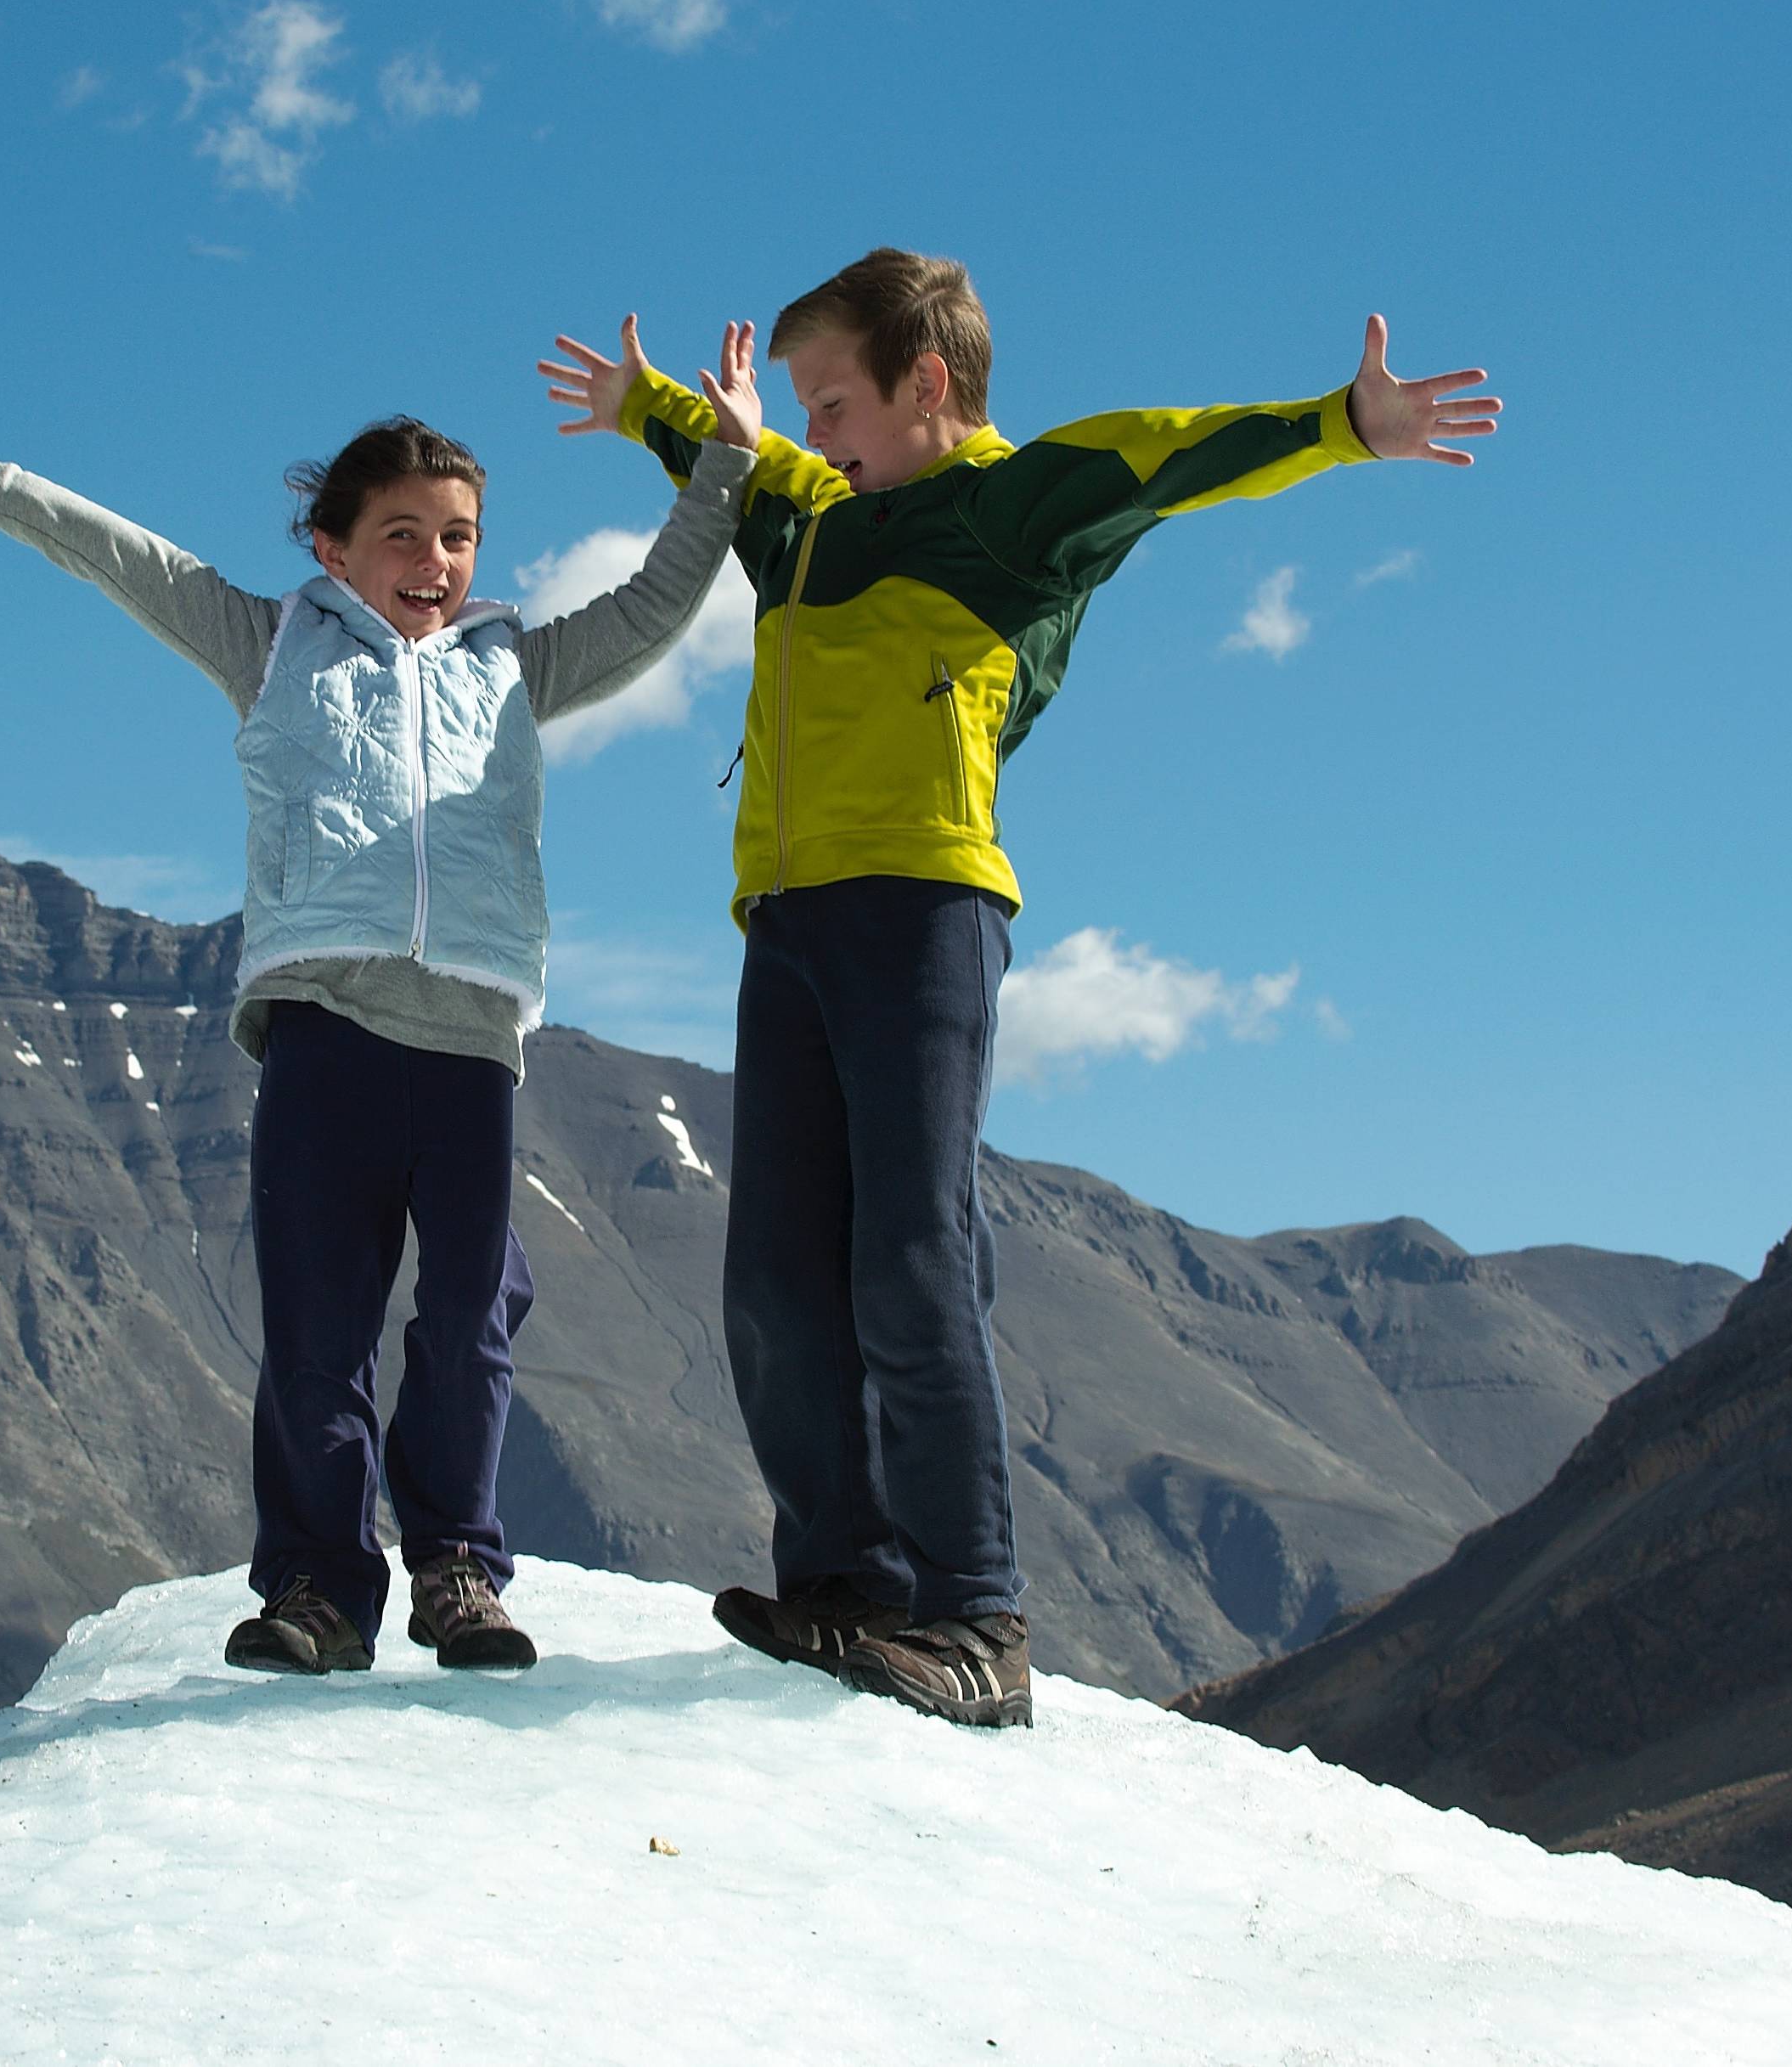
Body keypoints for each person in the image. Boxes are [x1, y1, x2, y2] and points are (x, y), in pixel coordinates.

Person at [539, 251, 1496, 1727]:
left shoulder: (1008, 507)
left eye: (833, 404)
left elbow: (1163, 457)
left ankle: (975, 1617)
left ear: (928, 385)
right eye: (803, 410)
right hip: (781, 921)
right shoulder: (805, 513)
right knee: (775, 1277)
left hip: (922, 907)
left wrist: (1339, 425)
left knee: (909, 1255)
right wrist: (644, 405)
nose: (812, 436)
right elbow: (736, 458)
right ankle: (843, 1585)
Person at [0, 369, 758, 1676]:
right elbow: (123, 557)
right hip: (325, 1031)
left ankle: (457, 1571)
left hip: (469, 1047)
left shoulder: (513, 668)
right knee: (316, 1327)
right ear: (332, 549)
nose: (434, 562)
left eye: (457, 537)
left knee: (470, 1313)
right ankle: (320, 1590)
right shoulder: (271, 646)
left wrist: (723, 465)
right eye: (401, 534)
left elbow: (656, 604)